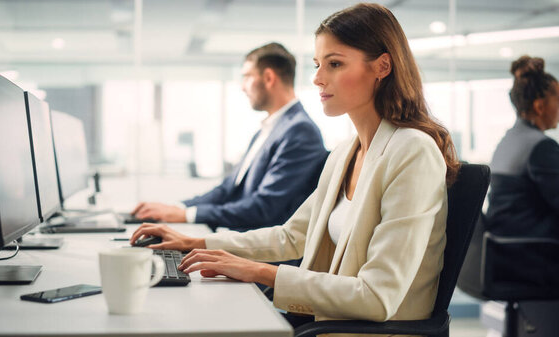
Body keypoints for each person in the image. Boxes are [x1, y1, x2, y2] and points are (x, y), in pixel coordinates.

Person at [131, 3, 459, 330]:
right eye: (318, 65)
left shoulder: (413, 152)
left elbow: (377, 296)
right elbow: (291, 236)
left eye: (334, 64)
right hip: (334, 321)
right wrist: (196, 244)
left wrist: (260, 272)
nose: (317, 79)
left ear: (382, 66)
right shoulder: (345, 152)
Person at [131, 43, 327, 232]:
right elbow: (227, 190)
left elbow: (264, 207)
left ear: (268, 78)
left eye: (247, 77)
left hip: (266, 256)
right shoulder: (267, 129)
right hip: (243, 243)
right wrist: (177, 208)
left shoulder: (299, 131)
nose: (242, 87)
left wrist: (188, 215)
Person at [486, 55, 559, 285]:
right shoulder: (541, 146)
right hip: (529, 256)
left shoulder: (508, 140)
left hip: (503, 251)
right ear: (540, 106)